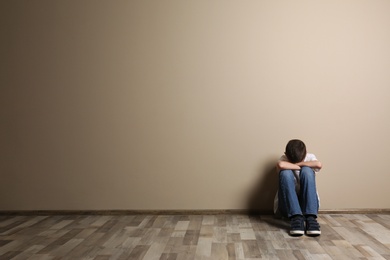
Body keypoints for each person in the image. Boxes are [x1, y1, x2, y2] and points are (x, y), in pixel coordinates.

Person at [274, 139, 323, 236]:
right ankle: (296, 217)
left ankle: (310, 218)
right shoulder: (284, 158)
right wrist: (301, 165)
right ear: (286, 154)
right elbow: (280, 165)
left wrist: (298, 165)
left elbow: (319, 164)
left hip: (308, 207)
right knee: (285, 173)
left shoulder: (310, 157)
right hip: (286, 208)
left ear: (306, 154)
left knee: (307, 171)